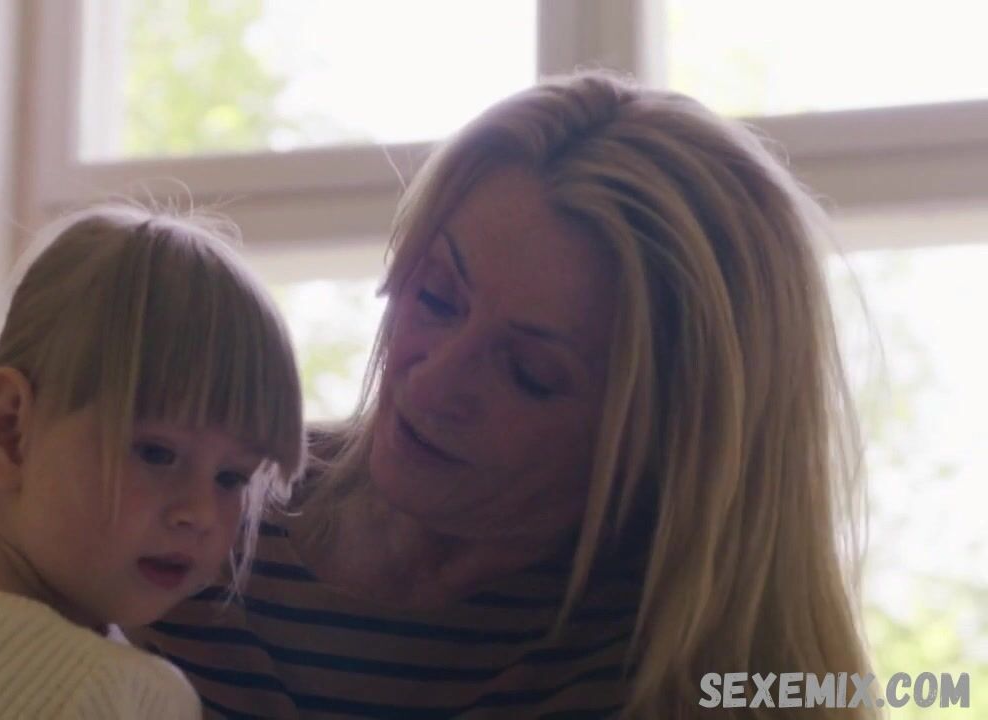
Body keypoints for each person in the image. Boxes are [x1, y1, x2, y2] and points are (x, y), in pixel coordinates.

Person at [134, 71, 875, 718]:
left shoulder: (695, 676)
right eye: (436, 295)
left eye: (529, 372)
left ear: (667, 438)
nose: (434, 381)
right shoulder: (184, 505)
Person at [0, 206, 306, 719]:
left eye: (232, 477)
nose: (199, 512)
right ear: (10, 431)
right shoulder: (120, 696)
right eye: (157, 453)